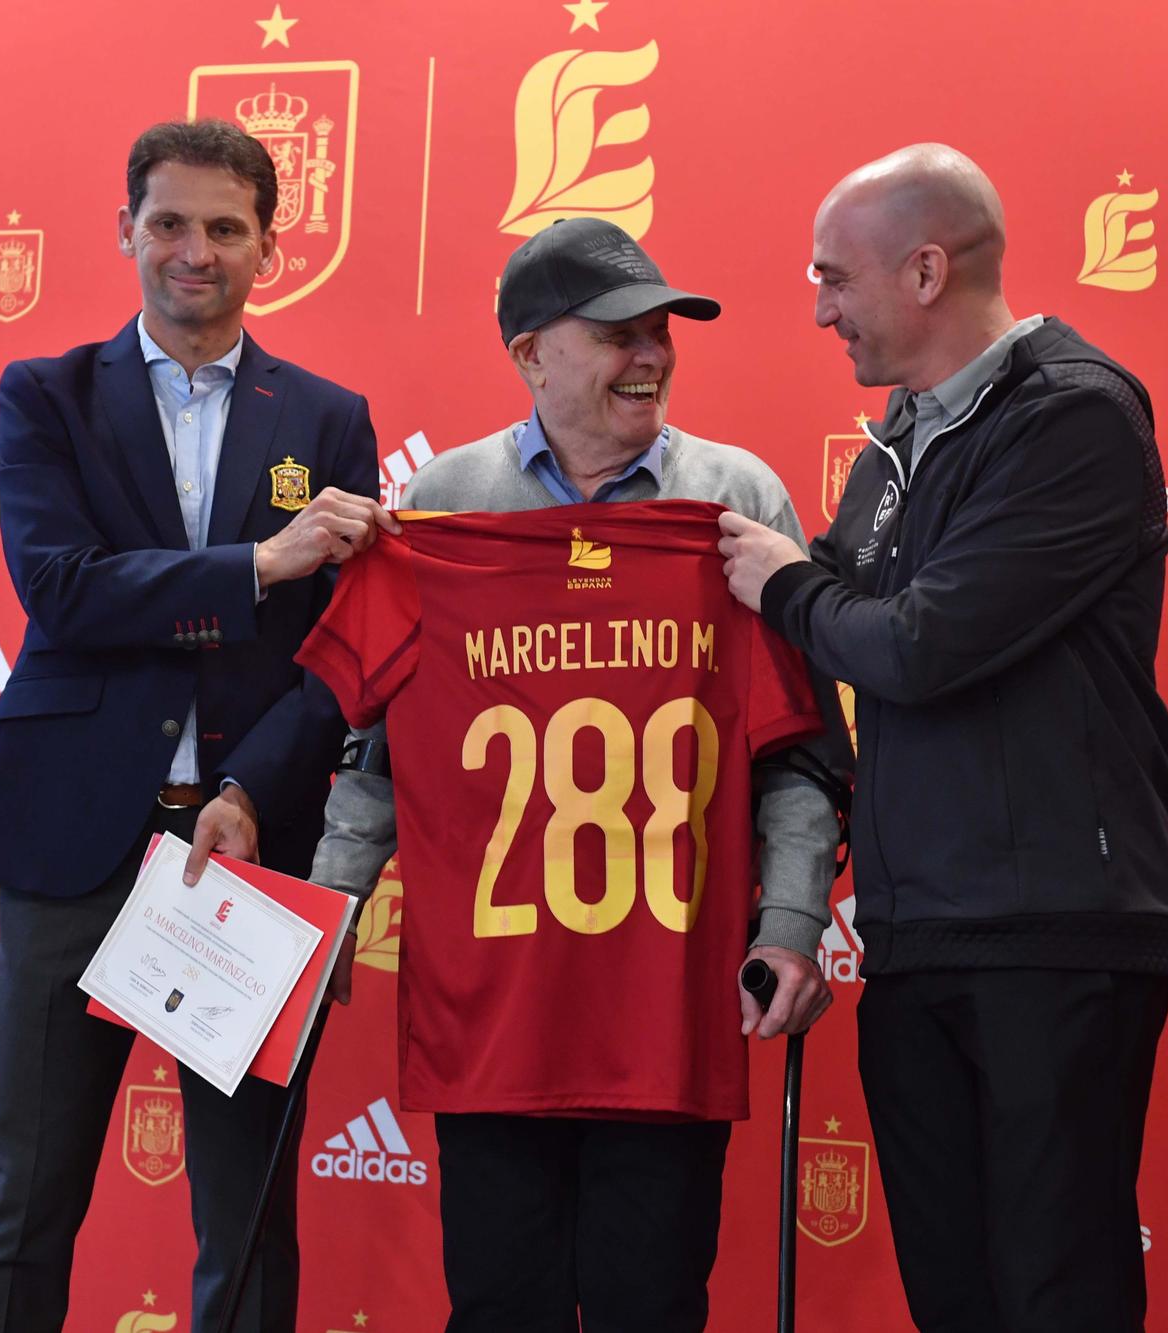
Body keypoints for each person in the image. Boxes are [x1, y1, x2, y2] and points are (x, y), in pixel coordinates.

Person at [301, 218, 848, 1333]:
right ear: (527, 353)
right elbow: (381, 748)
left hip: (668, 1002)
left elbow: (798, 749)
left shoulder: (732, 501)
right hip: (490, 1008)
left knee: (653, 1300)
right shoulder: (442, 505)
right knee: (499, 1302)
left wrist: (788, 918)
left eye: (659, 331)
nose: (648, 354)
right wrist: (327, 907)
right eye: (614, 334)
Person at [0, 118, 397, 1332]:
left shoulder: (327, 414)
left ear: (269, 247)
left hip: (245, 847)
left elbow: (337, 656)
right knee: (25, 1200)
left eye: (225, 229)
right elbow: (64, 590)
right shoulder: (42, 395)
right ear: (127, 230)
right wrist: (256, 563)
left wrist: (250, 788)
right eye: (171, 224)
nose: (196, 251)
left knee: (245, 1214)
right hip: (72, 839)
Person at [718, 144, 1168, 1331]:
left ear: (924, 270)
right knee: (954, 1288)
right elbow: (831, 614)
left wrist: (775, 583)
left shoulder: (1072, 414)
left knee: (1052, 1284)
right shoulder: (897, 438)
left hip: (1053, 928)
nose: (819, 309)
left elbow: (916, 644)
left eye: (835, 279)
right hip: (918, 926)